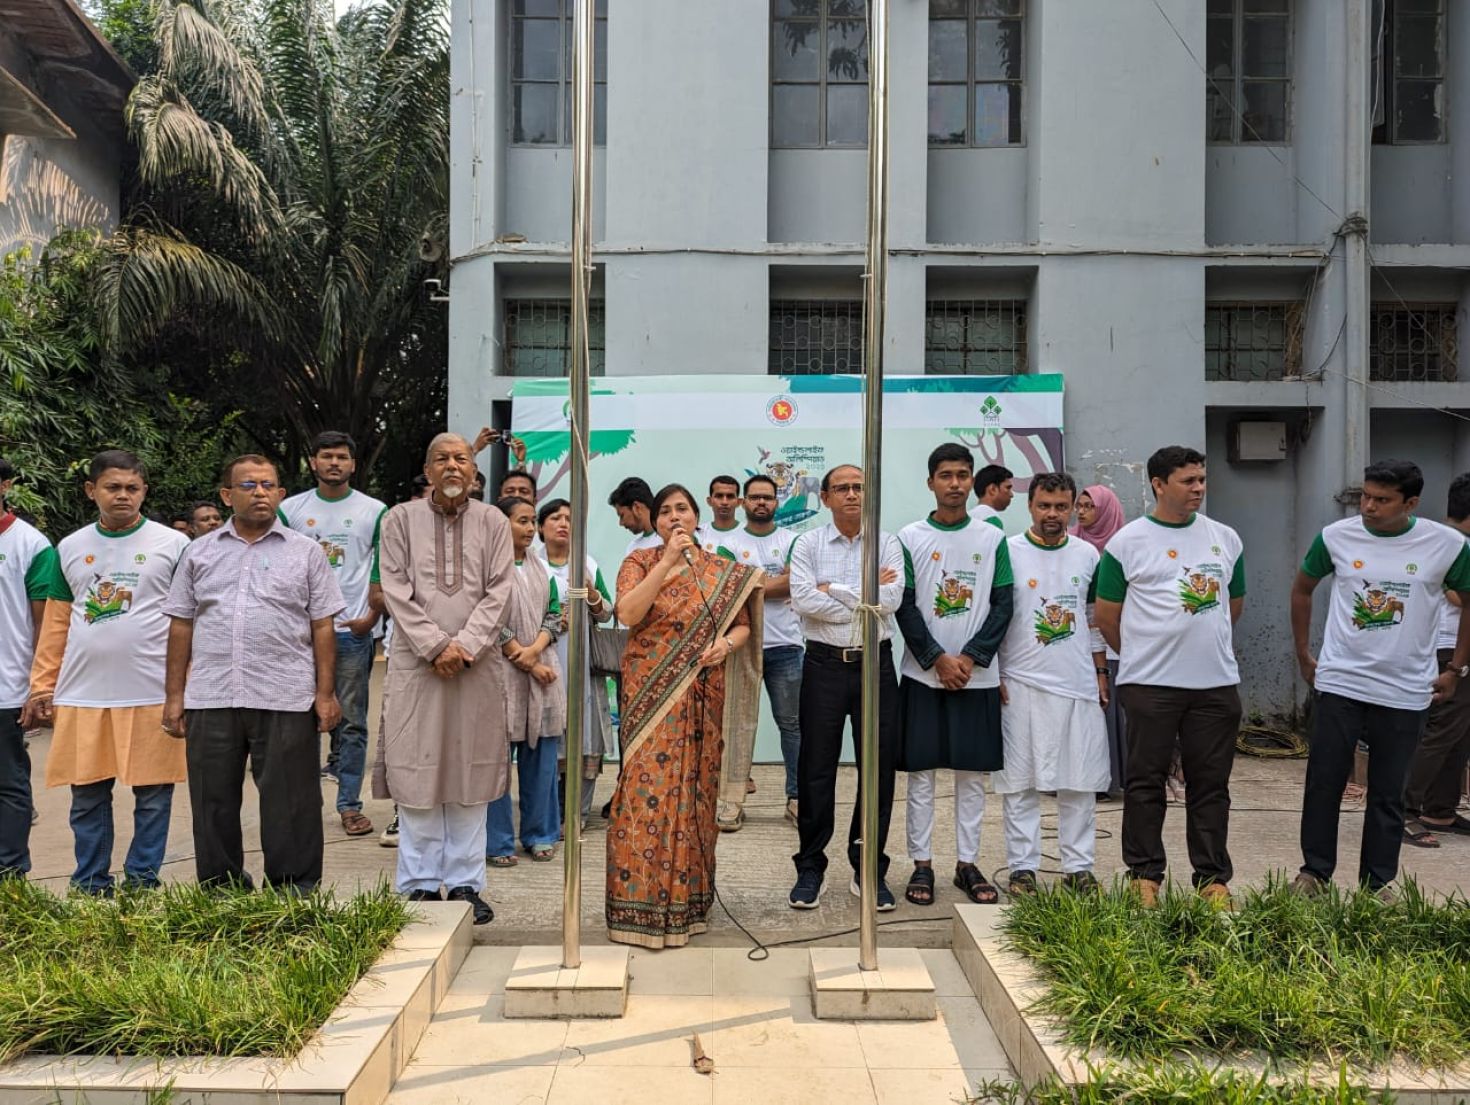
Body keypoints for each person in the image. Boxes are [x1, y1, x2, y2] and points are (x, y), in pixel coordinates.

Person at [163, 454, 344, 892]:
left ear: (281, 495)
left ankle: (293, 890)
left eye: (268, 485)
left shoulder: (306, 553)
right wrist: (174, 696)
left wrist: (325, 693)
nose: (259, 492)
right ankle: (221, 890)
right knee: (212, 801)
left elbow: (323, 625)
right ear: (227, 495)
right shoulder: (198, 552)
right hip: (212, 694)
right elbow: (181, 623)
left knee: (291, 802)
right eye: (248, 485)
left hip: (285, 694)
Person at [1291, 460, 1470, 897]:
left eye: (1382, 500)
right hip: (1341, 683)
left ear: (1410, 503)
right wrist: (1303, 655)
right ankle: (1314, 873)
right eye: (1366, 496)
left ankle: (1377, 883)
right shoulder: (1336, 537)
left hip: (1406, 689)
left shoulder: (1446, 544)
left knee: (1388, 792)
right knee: (1323, 783)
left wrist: (1455, 668)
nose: (1369, 506)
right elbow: (1302, 588)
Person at [23, 451, 190, 894]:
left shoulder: (173, 546)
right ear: (91, 491)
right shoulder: (71, 546)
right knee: (87, 796)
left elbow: (189, 621)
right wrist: (43, 686)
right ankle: (91, 882)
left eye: (132, 488)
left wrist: (185, 689)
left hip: (152, 691)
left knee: (153, 797)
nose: (122, 496)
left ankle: (141, 881)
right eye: (112, 487)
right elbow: (57, 623)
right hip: (82, 694)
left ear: (144, 492)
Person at [606, 483, 761, 948]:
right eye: (666, 511)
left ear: (697, 517)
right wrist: (669, 562)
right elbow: (629, 613)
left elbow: (744, 626)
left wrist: (725, 646)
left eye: (683, 509)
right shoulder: (640, 562)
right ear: (655, 523)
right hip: (650, 695)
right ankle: (638, 908)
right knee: (644, 791)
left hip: (702, 693)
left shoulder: (722, 571)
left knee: (695, 793)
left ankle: (689, 907)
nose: (675, 516)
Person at [1094, 445, 1245, 908]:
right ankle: (1144, 876)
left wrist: (1201, 646)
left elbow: (1232, 606)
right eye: (1188, 481)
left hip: (1215, 685)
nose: (1198, 488)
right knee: (1144, 782)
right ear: (1159, 484)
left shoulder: (1225, 538)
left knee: (1211, 785)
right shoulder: (1127, 543)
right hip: (1150, 686)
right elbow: (1106, 616)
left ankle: (1213, 877)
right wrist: (1146, 656)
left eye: (1201, 479)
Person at [373, 433, 515, 923]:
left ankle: (464, 884)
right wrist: (436, 646)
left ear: (474, 471)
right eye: (442, 459)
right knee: (418, 768)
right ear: (427, 470)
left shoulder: (494, 521)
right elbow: (394, 587)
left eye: (462, 458)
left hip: (476, 668)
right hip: (418, 665)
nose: (453, 466)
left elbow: (500, 590)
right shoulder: (398, 520)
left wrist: (465, 646)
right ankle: (415, 884)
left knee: (470, 770)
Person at [895, 444, 1013, 907]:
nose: (955, 483)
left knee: (971, 777)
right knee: (921, 776)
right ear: (930, 482)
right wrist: (936, 659)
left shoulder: (991, 537)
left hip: (975, 677)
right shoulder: (909, 537)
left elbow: (1004, 604)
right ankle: (921, 864)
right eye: (945, 475)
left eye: (963, 475)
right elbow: (903, 604)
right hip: (924, 675)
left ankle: (967, 863)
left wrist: (971, 657)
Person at [787, 465, 903, 910]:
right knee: (817, 769)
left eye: (859, 487)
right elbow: (801, 600)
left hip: (875, 665)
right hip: (824, 666)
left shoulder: (887, 542)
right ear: (826, 497)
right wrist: (862, 596)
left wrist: (832, 588)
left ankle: (868, 867)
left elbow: (889, 602)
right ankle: (810, 868)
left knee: (877, 768)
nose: (852, 494)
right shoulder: (809, 544)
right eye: (842, 488)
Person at [994, 472, 1109, 896]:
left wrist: (1100, 673)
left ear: (1073, 507)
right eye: (1045, 506)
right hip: (1018, 682)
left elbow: (1094, 620)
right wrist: (995, 673)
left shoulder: (1088, 556)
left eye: (1061, 507)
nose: (1053, 515)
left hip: (1076, 682)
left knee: (1078, 780)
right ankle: (1023, 867)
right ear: (1030, 505)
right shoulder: (1006, 551)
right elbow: (997, 617)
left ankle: (1079, 868)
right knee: (1020, 782)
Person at [278, 431, 387, 837]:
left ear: (353, 464)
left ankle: (349, 805)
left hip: (349, 631)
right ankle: (301, 805)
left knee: (352, 723)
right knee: (296, 723)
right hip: (299, 637)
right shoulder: (290, 510)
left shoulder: (374, 510)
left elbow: (383, 566)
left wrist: (370, 616)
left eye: (342, 456)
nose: (334, 463)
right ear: (313, 463)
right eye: (326, 456)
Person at [717, 475, 803, 827]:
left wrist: (750, 583)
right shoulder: (729, 543)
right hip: (742, 644)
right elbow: (728, 590)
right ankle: (732, 802)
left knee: (793, 725)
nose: (761, 503)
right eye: (754, 498)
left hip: (787, 644)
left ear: (777, 502)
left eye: (767, 497)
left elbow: (795, 583)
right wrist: (774, 583)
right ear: (743, 503)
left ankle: (796, 798)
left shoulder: (793, 540)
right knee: (737, 726)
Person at [486, 495, 564, 866]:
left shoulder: (543, 568)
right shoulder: (486, 567)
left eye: (533, 521)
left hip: (543, 671)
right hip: (500, 676)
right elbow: (487, 620)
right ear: (501, 524)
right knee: (495, 763)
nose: (531, 528)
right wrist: (526, 659)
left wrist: (536, 651)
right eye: (522, 521)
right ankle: (498, 843)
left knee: (543, 762)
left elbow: (554, 613)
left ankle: (540, 835)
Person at [537, 498, 615, 826]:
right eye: (555, 517)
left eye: (570, 518)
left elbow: (608, 612)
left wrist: (591, 592)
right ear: (540, 527)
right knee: (547, 739)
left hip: (583, 667)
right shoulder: (532, 566)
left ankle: (578, 813)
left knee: (585, 736)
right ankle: (548, 814)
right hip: (543, 664)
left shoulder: (587, 564)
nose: (563, 524)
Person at [1403, 473, 1470, 846]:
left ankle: (1439, 809)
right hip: (1447, 646)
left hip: (1459, 645)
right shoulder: (1447, 546)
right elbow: (1459, 598)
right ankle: (1402, 810)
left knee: (1459, 734)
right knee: (1441, 731)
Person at [0, 456, 58, 879]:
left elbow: (46, 625)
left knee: (8, 785)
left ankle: (10, 872)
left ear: (5, 486)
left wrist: (39, 687)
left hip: (6, 688)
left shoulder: (31, 544)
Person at [1071, 484, 1129, 799]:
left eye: (1088, 506)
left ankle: (1110, 780)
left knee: (1111, 713)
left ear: (1106, 510)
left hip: (1115, 643)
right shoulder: (1072, 544)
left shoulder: (1122, 549)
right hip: (1077, 644)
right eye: (1078, 505)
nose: (1081, 512)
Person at [609, 477, 661, 555]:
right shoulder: (632, 549)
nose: (621, 523)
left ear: (636, 507)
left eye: (622, 515)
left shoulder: (672, 538)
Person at [701, 475, 741, 554]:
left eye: (730, 496)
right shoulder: (698, 535)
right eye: (719, 496)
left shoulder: (749, 534)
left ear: (739, 502)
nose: (724, 502)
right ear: (709, 501)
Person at [970, 464, 1013, 530]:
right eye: (1008, 488)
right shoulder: (991, 519)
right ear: (993, 489)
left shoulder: (965, 519)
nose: (1011, 494)